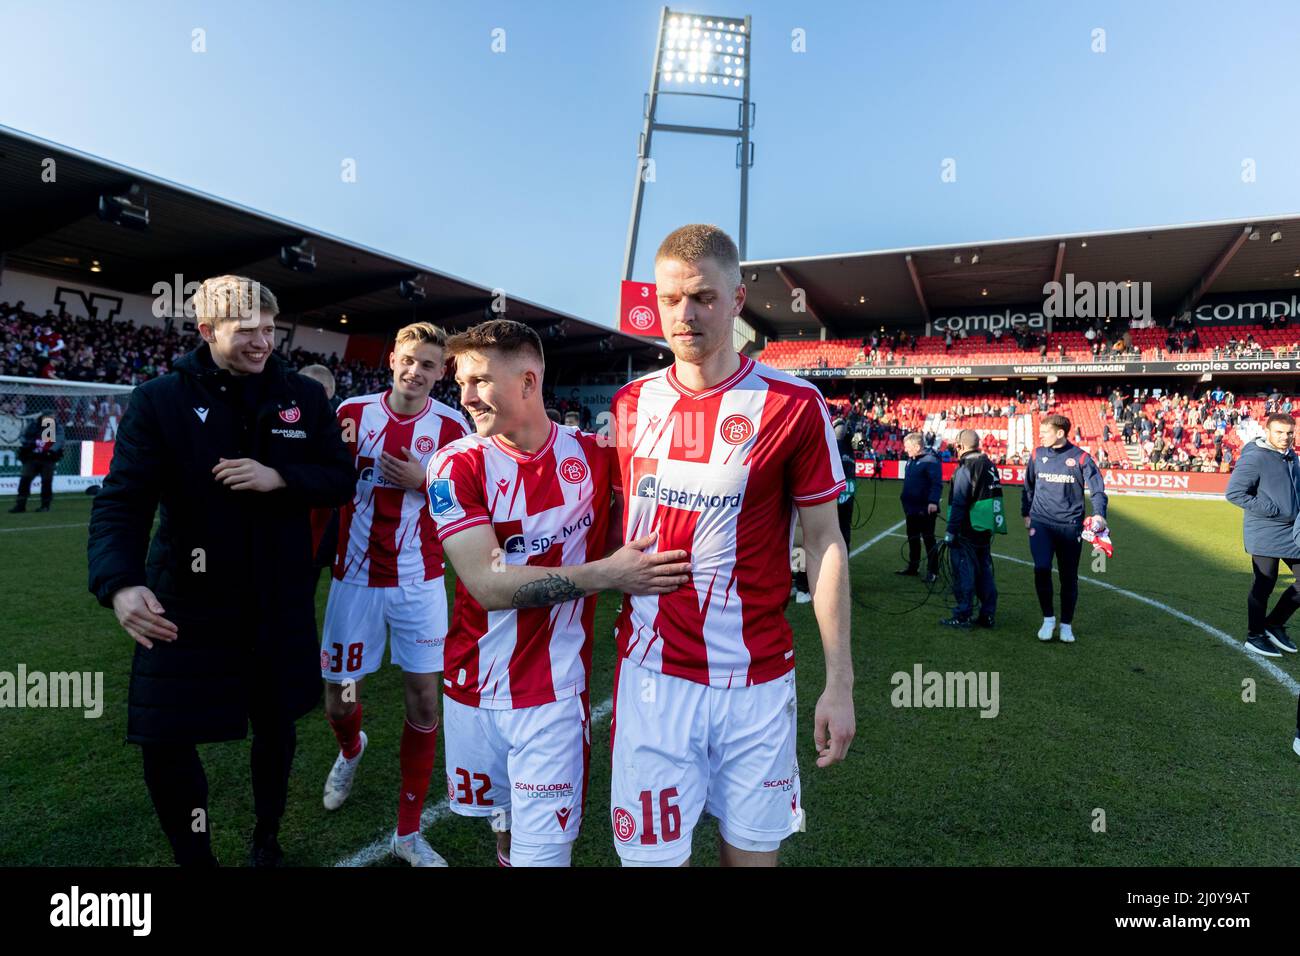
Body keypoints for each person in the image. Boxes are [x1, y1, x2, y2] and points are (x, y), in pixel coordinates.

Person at [86, 276, 356, 867]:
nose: (263, 342)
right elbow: (122, 499)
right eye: (247, 331)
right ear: (207, 331)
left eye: (269, 330)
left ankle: (267, 836)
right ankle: (196, 859)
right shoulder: (159, 400)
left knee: (277, 726)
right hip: (183, 599)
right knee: (163, 738)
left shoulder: (305, 398)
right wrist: (120, 582)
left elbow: (340, 478)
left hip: (275, 601)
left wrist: (280, 477)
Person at [609, 224, 854, 867]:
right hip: (653, 681)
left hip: (757, 683)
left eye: (702, 298)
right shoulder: (630, 405)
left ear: (738, 299)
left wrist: (840, 682)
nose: (683, 315)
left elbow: (824, 542)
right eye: (668, 300)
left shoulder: (794, 404)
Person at [428, 319, 689, 867]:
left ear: (528, 381)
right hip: (472, 686)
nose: (466, 397)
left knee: (541, 854)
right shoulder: (455, 465)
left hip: (553, 694)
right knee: (504, 832)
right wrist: (606, 575)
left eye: (479, 381)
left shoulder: (594, 456)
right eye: (460, 383)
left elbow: (666, 502)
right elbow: (487, 585)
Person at [316, 322, 472, 868]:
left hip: (420, 583)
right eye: (409, 360)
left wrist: (425, 481)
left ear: (442, 372)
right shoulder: (350, 414)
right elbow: (317, 480)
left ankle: (408, 834)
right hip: (354, 582)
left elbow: (471, 503)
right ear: (392, 360)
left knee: (425, 700)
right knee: (341, 697)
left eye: (429, 365)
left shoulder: (454, 428)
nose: (417, 371)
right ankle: (350, 749)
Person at [1021, 413, 1108, 643]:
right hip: (1041, 524)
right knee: (1041, 568)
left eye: (1045, 432)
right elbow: (1028, 486)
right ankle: (1048, 619)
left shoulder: (1081, 458)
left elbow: (1097, 490)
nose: (1041, 436)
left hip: (1070, 527)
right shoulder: (1037, 455)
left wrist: (1099, 514)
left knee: (1068, 578)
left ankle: (1066, 624)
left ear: (1060, 433)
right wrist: (1026, 513)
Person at [1225, 412, 1299, 659]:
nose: (1285, 437)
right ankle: (1255, 635)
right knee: (1264, 584)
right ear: (1267, 431)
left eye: (1290, 432)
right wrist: (1273, 510)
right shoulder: (1255, 457)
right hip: (1265, 530)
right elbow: (1235, 493)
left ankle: (1274, 624)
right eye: (1279, 432)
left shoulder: (1291, 455)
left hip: (1292, 531)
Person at [939, 430, 999, 629]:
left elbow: (959, 501)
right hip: (985, 526)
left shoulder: (966, 467)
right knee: (984, 571)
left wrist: (950, 531)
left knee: (964, 571)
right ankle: (987, 614)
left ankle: (963, 614)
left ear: (961, 446)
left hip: (967, 529)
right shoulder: (990, 465)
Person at [897, 432, 941, 583]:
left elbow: (937, 484)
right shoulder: (911, 460)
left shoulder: (931, 461)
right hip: (911, 508)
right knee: (913, 538)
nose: (905, 449)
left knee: (929, 539)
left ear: (917, 447)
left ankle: (933, 571)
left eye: (908, 447)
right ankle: (913, 567)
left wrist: (933, 501)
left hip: (925, 509)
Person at [9, 412, 64, 512]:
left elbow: (58, 440)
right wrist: (29, 445)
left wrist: (50, 451)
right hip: (32, 457)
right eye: (49, 416)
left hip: (47, 458)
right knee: (25, 480)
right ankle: (21, 504)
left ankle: (45, 505)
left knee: (46, 481)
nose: (51, 418)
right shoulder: (33, 425)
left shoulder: (54, 426)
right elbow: (24, 437)